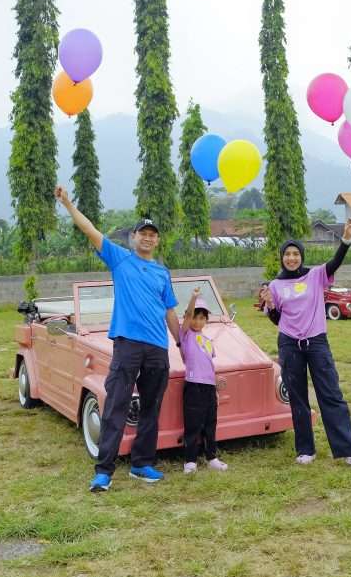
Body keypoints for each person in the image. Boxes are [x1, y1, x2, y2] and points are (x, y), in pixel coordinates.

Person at [54, 186, 180, 492]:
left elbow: (170, 312)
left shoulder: (162, 273)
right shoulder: (120, 259)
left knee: (151, 407)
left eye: (153, 234)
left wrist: (182, 343)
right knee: (116, 406)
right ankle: (104, 471)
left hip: (157, 348)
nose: (148, 238)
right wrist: (69, 204)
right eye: (143, 233)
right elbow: (90, 230)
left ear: (157, 240)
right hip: (127, 344)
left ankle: (141, 464)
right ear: (133, 238)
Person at [259, 217, 351, 472]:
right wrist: (269, 304)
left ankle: (350, 452)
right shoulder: (275, 285)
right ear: (282, 258)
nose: (291, 258)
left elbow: (335, 262)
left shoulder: (315, 275)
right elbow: (277, 319)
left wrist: (346, 238)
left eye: (295, 253)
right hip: (289, 344)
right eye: (287, 254)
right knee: (297, 397)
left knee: (331, 394)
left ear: (301, 255)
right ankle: (305, 450)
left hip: (317, 342)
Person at [179, 287, 228, 475]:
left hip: (209, 388)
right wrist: (193, 297)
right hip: (193, 386)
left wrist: (215, 381)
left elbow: (208, 364)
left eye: (202, 318)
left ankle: (212, 457)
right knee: (193, 423)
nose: (197, 321)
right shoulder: (185, 336)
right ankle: (190, 461)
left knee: (210, 422)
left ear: (206, 320)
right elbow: (188, 314)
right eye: (194, 317)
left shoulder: (208, 341)